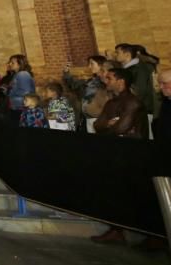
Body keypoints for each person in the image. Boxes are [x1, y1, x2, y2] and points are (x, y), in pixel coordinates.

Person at [90, 67, 148, 245]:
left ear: (121, 81)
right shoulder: (110, 103)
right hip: (114, 152)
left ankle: (154, 235)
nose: (105, 81)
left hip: (132, 153)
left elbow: (120, 128)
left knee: (137, 193)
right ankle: (116, 230)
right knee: (115, 192)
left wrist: (112, 125)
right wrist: (110, 124)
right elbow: (98, 125)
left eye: (109, 78)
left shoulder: (133, 102)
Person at [63, 56, 110, 130]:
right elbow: (74, 85)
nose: (89, 66)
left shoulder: (107, 81)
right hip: (88, 118)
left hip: (102, 118)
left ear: (101, 65)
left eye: (92, 64)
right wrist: (66, 73)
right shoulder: (90, 81)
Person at [114, 44, 158, 117]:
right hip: (131, 109)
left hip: (140, 110)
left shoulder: (139, 68)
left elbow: (141, 90)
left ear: (127, 54)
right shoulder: (126, 69)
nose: (115, 55)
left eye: (117, 52)